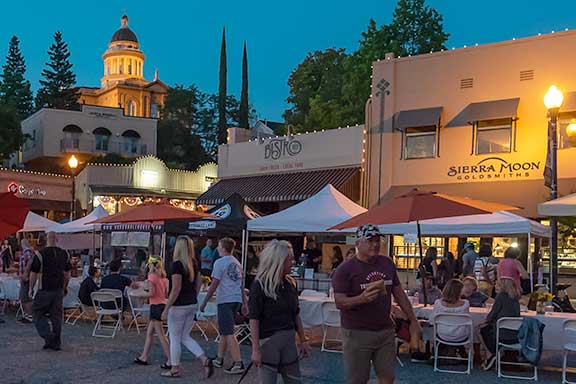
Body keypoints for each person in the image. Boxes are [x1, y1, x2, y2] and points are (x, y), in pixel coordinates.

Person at [332, 224, 421, 384]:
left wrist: (413, 320)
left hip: (385, 331)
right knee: (358, 380)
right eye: (370, 240)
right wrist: (361, 299)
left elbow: (399, 294)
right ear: (358, 243)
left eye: (377, 240)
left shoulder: (386, 263)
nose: (375, 244)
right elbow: (339, 302)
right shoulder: (345, 270)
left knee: (388, 378)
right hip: (357, 333)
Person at [249, 240, 311, 384]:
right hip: (269, 342)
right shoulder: (260, 285)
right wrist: (256, 349)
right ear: (278, 261)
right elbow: (254, 318)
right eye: (290, 259)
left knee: (295, 381)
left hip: (288, 341)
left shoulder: (290, 283)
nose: (293, 262)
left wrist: (303, 339)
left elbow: (296, 313)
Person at [161, 236, 213, 378]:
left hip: (178, 306)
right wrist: (194, 299)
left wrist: (167, 308)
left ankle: (175, 368)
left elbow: (176, 288)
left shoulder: (177, 264)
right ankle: (204, 360)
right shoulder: (194, 263)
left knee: (175, 337)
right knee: (184, 336)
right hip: (191, 303)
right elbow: (198, 284)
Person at [200, 237, 248, 374]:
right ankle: (219, 358)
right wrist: (244, 302)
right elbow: (241, 284)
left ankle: (238, 363)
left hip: (225, 300)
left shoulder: (219, 263)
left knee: (228, 332)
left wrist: (204, 302)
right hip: (235, 299)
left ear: (224, 248)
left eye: (219, 246)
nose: (217, 248)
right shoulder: (237, 263)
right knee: (224, 330)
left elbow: (214, 284)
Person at [28, 232, 71, 351]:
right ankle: (56, 343)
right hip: (58, 290)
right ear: (56, 239)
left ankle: (48, 335)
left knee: (37, 313)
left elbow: (34, 273)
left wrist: (31, 289)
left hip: (44, 289)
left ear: (46, 239)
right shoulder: (64, 254)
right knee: (56, 317)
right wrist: (65, 287)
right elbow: (67, 274)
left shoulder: (40, 254)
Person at [134, 257, 171, 370]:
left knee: (160, 334)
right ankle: (144, 356)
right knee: (150, 333)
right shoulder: (163, 278)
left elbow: (151, 293)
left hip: (155, 306)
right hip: (162, 304)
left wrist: (139, 294)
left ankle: (171, 359)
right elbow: (165, 294)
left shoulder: (151, 277)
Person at [480, 277, 521, 370]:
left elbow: (492, 315)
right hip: (515, 334)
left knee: (480, 329)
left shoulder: (501, 297)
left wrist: (485, 321)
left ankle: (491, 353)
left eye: (497, 284)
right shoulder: (515, 297)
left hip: (501, 333)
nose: (495, 286)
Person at [18, 238, 35, 323]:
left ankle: (29, 316)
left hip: (26, 278)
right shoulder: (27, 252)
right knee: (24, 297)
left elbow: (29, 263)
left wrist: (25, 274)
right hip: (25, 277)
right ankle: (27, 315)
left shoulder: (27, 252)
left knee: (25, 298)